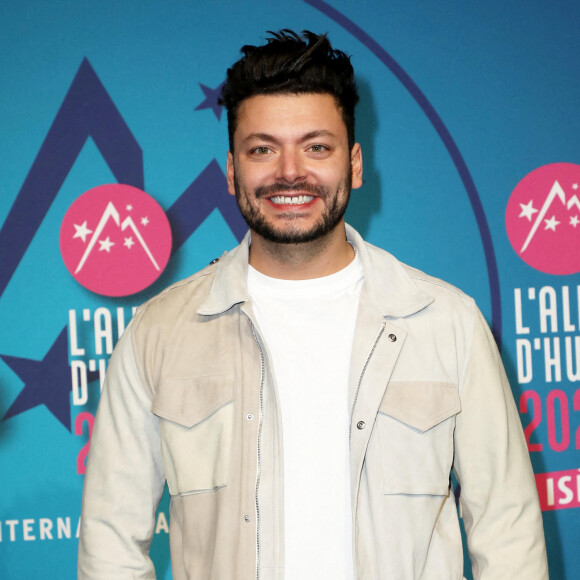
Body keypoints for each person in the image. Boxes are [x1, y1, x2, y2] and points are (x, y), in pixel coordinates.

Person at [78, 30, 548, 580]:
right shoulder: (158, 332)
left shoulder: (447, 322)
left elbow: (507, 529)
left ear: (354, 164)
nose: (290, 172)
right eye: (263, 149)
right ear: (232, 171)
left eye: (316, 147)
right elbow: (111, 537)